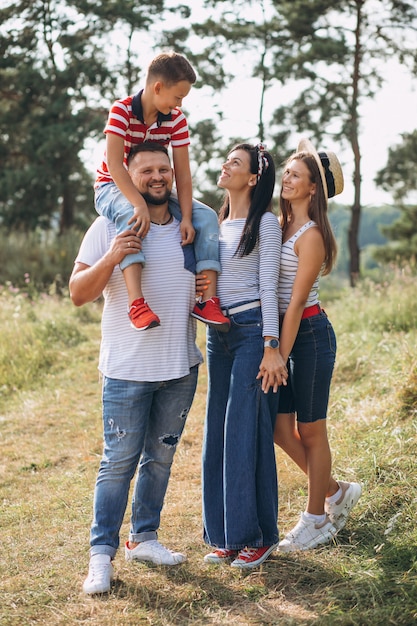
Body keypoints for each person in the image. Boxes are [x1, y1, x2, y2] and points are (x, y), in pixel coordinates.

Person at [69, 142, 203, 595]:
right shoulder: (108, 224)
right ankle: (100, 556)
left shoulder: (191, 226)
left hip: (180, 367)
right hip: (126, 371)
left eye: (164, 168)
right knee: (118, 464)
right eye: (146, 170)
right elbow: (77, 293)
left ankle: (143, 538)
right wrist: (111, 257)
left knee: (160, 459)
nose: (158, 177)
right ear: (127, 175)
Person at [199, 143, 288, 569]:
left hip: (253, 331)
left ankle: (257, 536)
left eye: (235, 162)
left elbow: (268, 287)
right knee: (218, 429)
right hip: (218, 335)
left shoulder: (265, 224)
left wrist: (272, 347)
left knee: (244, 432)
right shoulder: (215, 221)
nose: (225, 166)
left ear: (253, 178)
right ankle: (223, 537)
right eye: (226, 160)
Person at [95, 51, 229, 332]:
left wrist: (188, 217)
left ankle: (206, 300)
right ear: (158, 88)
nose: (180, 103)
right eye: (178, 96)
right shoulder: (121, 111)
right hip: (112, 185)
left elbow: (181, 172)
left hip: (152, 186)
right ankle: (136, 303)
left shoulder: (176, 119)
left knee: (206, 217)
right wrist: (138, 205)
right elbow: (116, 168)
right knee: (129, 217)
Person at [274, 138, 362, 552]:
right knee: (280, 429)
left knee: (310, 430)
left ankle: (316, 519)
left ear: (313, 189)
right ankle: (335, 490)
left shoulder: (310, 236)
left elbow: (294, 306)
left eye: (296, 174)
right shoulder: (279, 225)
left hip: (307, 336)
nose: (286, 178)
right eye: (286, 171)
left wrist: (278, 353)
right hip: (286, 336)